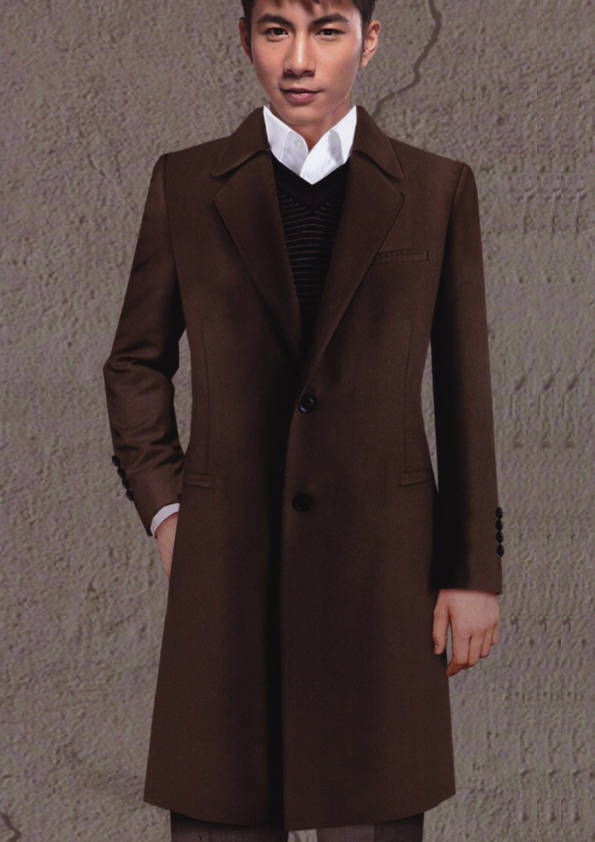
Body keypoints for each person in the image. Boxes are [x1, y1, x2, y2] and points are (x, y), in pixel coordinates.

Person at [102, 2, 505, 841]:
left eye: (326, 29)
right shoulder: (186, 182)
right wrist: (167, 509)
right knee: (221, 807)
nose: (298, 58)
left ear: (369, 40)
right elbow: (136, 362)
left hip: (382, 564)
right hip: (229, 561)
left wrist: (473, 571)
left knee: (371, 814)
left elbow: (464, 390)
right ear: (244, 38)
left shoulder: (436, 188)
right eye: (275, 29)